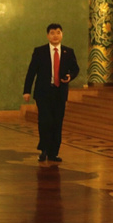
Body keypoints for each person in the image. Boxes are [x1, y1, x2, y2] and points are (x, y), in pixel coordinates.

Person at [23, 23, 80, 162]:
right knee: (45, 121)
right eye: (52, 33)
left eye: (58, 32)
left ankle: (54, 153)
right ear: (48, 35)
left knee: (57, 122)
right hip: (43, 92)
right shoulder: (40, 51)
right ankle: (44, 150)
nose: (55, 35)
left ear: (62, 34)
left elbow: (75, 69)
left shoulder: (68, 52)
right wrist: (27, 91)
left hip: (60, 92)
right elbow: (31, 72)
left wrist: (70, 76)